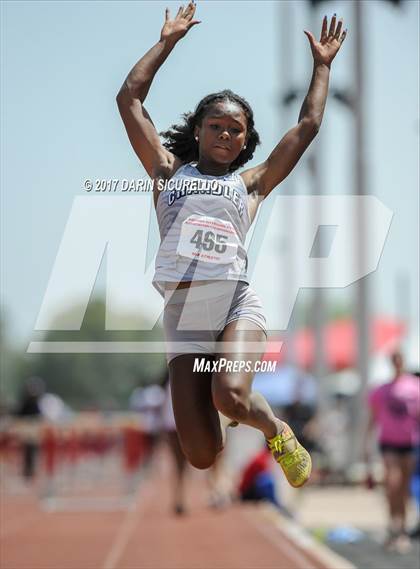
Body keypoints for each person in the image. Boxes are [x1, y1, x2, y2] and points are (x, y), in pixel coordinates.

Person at [116, 3, 346, 489]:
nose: (225, 133)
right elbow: (129, 99)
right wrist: (168, 42)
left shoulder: (252, 186)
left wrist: (321, 68)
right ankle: (238, 423)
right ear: (198, 131)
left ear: (245, 142)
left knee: (231, 398)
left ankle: (276, 430)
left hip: (235, 303)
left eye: (235, 129)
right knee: (201, 454)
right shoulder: (166, 171)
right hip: (184, 314)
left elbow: (306, 127)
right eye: (216, 125)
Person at [366, 351, 420, 551]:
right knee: (392, 484)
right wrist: (366, 445)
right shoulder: (381, 390)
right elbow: (372, 419)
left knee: (404, 489)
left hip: (408, 443)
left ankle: (403, 530)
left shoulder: (415, 388)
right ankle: (392, 526)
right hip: (388, 443)